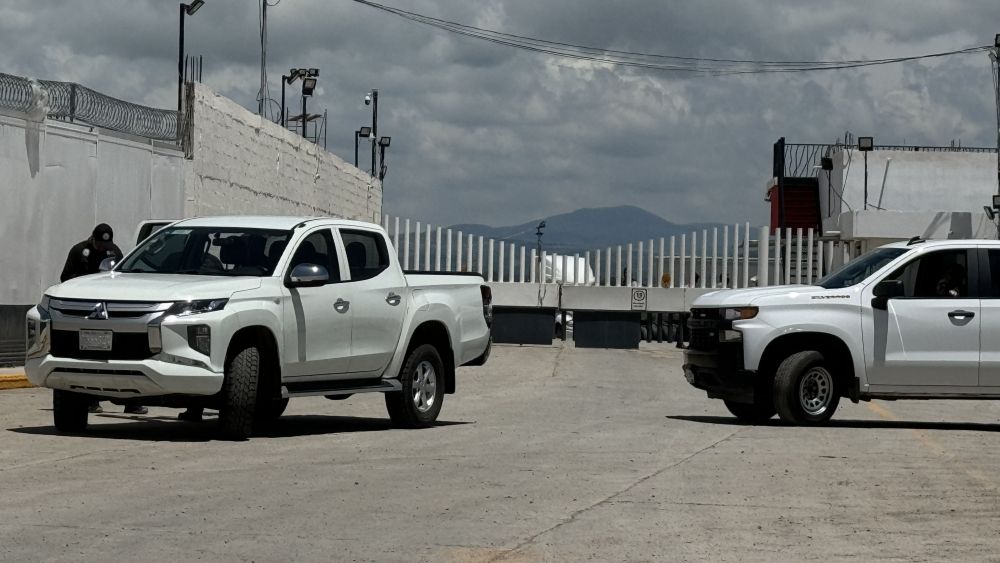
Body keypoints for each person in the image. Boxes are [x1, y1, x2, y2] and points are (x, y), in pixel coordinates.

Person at [59, 224, 147, 415]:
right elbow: (65, 277)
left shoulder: (114, 252)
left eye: (105, 244)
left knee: (124, 356)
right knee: (91, 357)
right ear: (93, 239)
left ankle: (132, 402)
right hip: (88, 310)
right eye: (99, 243)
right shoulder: (79, 251)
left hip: (112, 310)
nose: (102, 247)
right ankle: (90, 400)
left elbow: (124, 277)